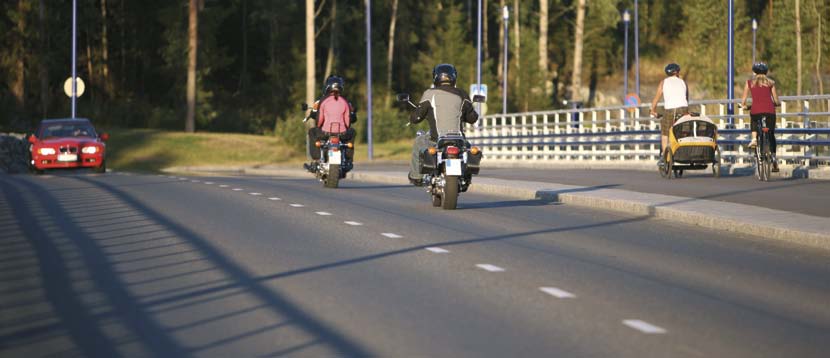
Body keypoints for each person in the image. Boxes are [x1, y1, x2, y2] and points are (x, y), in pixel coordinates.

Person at [407, 63, 479, 185]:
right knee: (469, 148)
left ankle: (416, 177)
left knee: (419, 141)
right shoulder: (462, 94)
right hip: (458, 139)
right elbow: (472, 118)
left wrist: (414, 117)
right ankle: (466, 178)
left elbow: (416, 117)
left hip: (436, 139)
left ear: (435, 77)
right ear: (454, 77)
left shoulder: (429, 94)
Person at [304, 75, 357, 172]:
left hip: (325, 132)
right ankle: (348, 159)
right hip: (342, 133)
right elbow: (349, 121)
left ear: (327, 87)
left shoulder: (321, 101)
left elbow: (319, 120)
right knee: (352, 133)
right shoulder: (346, 102)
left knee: (312, 131)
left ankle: (316, 159)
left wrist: (319, 126)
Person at [740, 62, 780, 172]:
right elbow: (776, 100)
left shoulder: (749, 83)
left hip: (756, 110)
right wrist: (777, 103)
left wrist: (744, 105)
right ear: (766, 72)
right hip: (770, 112)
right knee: (771, 133)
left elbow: (743, 99)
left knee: (753, 117)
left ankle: (754, 139)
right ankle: (774, 157)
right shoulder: (771, 83)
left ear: (754, 72)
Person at [650, 63, 689, 165]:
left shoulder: (663, 82)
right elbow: (686, 99)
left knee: (665, 134)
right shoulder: (683, 82)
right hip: (683, 110)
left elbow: (656, 98)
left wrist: (652, 110)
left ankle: (664, 157)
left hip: (670, 111)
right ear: (678, 72)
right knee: (682, 129)